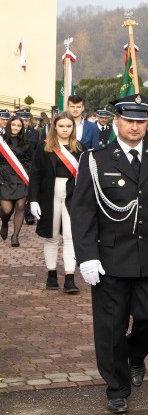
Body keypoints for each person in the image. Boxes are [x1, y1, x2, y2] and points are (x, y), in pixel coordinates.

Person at [70, 94, 148, 414]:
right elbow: (82, 211)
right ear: (117, 121)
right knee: (110, 327)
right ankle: (117, 386)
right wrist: (86, 256)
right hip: (108, 258)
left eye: (141, 120)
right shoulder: (95, 159)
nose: (135, 126)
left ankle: (136, 353)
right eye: (129, 120)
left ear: (147, 122)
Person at [28, 112, 82, 294]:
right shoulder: (45, 147)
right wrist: (33, 199)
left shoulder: (80, 148)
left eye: (68, 126)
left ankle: (69, 277)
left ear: (73, 128)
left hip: (72, 194)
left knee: (70, 235)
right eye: (61, 126)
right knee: (51, 236)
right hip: (49, 194)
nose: (65, 129)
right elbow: (35, 174)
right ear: (55, 127)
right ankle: (51, 274)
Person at [0, 115, 32, 246]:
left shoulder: (25, 143)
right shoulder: (2, 141)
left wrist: (29, 178)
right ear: (9, 125)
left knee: (20, 207)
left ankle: (15, 236)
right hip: (4, 177)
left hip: (20, 177)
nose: (16, 128)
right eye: (13, 125)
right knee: (7, 210)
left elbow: (29, 161)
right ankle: (5, 222)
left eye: (19, 126)